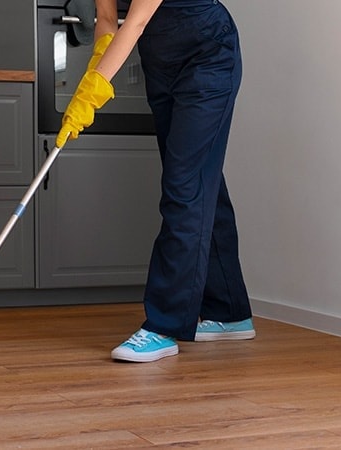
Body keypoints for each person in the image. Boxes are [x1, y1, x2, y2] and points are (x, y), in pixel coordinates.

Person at [57, 0, 256, 363]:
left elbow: (136, 21)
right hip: (161, 61)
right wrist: (98, 58)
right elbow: (106, 19)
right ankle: (230, 311)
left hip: (208, 53)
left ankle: (163, 325)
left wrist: (92, 90)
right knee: (198, 180)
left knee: (184, 186)